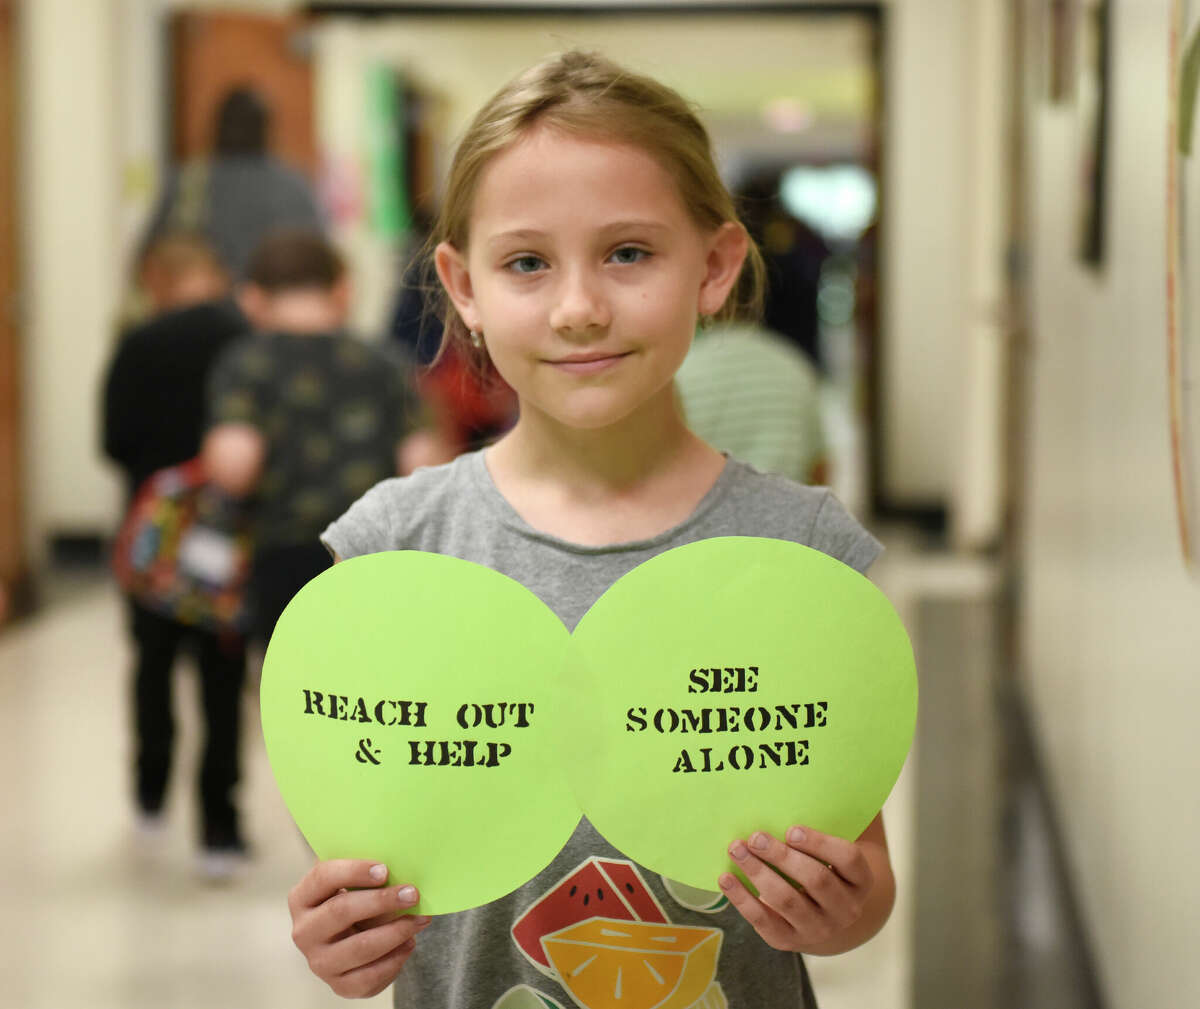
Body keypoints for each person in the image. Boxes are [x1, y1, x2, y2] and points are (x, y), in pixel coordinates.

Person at [287, 51, 895, 1009]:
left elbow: (859, 877)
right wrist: (339, 936)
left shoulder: (799, 551)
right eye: (527, 262)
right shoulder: (395, 553)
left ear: (715, 266)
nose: (579, 309)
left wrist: (841, 908)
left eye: (628, 253)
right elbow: (356, 864)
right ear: (465, 288)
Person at [101, 233, 250, 878]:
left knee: (152, 665)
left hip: (155, 540)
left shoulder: (138, 344)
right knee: (222, 674)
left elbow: (111, 440)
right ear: (214, 274)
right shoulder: (247, 343)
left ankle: (149, 794)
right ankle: (219, 827)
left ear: (158, 281)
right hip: (228, 535)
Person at [203, 231, 417, 649]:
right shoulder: (384, 362)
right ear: (342, 288)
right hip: (371, 554)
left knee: (293, 688)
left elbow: (235, 468)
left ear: (251, 298)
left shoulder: (245, 363)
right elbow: (420, 464)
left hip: (284, 549)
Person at [141, 87, 324, 282]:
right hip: (276, 302)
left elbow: (149, 254)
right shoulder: (293, 186)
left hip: (202, 308)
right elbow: (319, 258)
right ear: (266, 130)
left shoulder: (189, 182)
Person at [675, 319, 829, 485]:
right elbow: (819, 468)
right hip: (790, 504)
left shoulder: (686, 368)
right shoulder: (794, 363)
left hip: (707, 504)